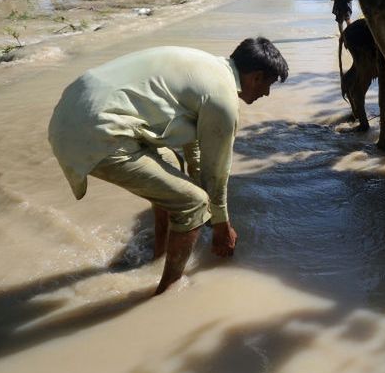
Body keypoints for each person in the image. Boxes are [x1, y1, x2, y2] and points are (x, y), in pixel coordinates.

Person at [48, 41, 289, 295]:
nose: (267, 94)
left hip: (72, 109)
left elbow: (195, 151)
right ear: (256, 77)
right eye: (268, 85)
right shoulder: (224, 99)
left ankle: (159, 254)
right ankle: (167, 291)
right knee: (192, 203)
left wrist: (206, 205)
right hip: (97, 130)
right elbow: (216, 174)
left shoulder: (206, 67)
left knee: (172, 166)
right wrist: (221, 227)